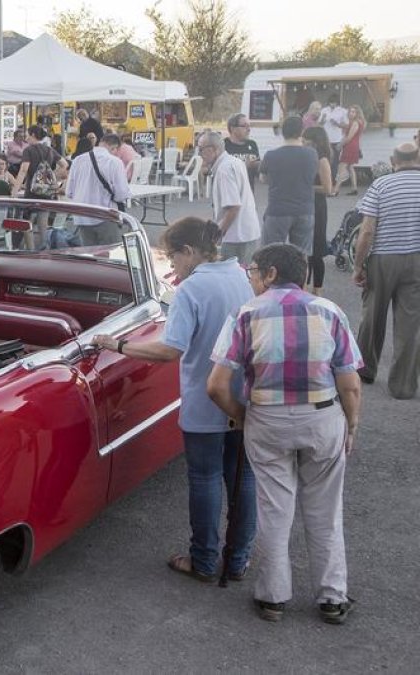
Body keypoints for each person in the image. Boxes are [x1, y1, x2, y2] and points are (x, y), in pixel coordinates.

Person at [94, 217, 256, 583]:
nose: (172, 265)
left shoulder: (191, 290)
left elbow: (170, 349)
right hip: (242, 395)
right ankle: (239, 558)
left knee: (204, 478)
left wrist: (117, 345)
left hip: (204, 397)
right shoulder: (241, 275)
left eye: (173, 256)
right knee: (242, 479)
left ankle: (202, 558)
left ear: (189, 251)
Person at [208, 243, 362, 625]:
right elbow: (350, 383)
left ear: (272, 273)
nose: (252, 278)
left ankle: (273, 597)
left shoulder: (245, 315)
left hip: (267, 418)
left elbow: (216, 386)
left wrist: (241, 416)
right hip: (323, 416)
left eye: (255, 271)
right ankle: (332, 598)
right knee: (326, 512)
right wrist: (352, 422)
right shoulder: (330, 312)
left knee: (275, 510)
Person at [351, 142, 420, 400]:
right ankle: (403, 386)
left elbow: (367, 230)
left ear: (394, 160)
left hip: (383, 258)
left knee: (372, 316)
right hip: (416, 259)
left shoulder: (381, 185)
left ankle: (365, 370)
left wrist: (359, 265)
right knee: (410, 323)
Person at [197, 130, 261, 264]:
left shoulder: (224, 169)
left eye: (201, 149)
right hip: (246, 232)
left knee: (231, 277)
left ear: (213, 149)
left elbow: (233, 207)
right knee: (244, 275)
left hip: (235, 237)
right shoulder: (234, 162)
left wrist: (217, 235)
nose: (199, 154)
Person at [259, 115, 318, 250]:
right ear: (301, 132)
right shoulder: (312, 154)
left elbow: (263, 179)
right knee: (301, 255)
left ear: (282, 132)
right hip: (304, 210)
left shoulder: (271, 155)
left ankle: (273, 271)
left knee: (270, 252)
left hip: (278, 210)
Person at [66, 137, 131, 245]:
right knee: (109, 253)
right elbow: (121, 194)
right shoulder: (114, 162)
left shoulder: (78, 160)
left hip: (81, 215)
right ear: (114, 148)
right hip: (105, 215)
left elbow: (69, 192)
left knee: (89, 256)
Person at [302, 127, 334, 294]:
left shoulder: (322, 160)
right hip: (305, 205)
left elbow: (328, 189)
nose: (302, 142)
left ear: (315, 141)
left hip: (317, 207)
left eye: (305, 140)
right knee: (305, 251)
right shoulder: (308, 157)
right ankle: (304, 288)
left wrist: (307, 187)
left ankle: (317, 290)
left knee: (316, 251)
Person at [332, 105, 365, 196]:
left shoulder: (355, 123)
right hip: (354, 146)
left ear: (357, 113)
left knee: (341, 168)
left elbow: (349, 137)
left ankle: (335, 190)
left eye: (353, 112)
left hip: (350, 146)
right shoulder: (357, 122)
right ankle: (354, 188)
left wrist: (340, 145)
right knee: (350, 167)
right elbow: (345, 127)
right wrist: (338, 124)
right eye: (350, 111)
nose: (351, 113)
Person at [318, 95, 349, 182]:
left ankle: (333, 181)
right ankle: (325, 179)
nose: (333, 104)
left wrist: (337, 124)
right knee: (326, 160)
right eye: (331, 102)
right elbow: (320, 124)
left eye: (334, 103)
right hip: (326, 139)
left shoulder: (342, 111)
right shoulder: (324, 110)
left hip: (337, 139)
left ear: (337, 103)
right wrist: (323, 118)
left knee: (335, 161)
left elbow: (347, 125)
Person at [224, 113, 261, 186]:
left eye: (249, 126)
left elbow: (258, 173)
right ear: (233, 128)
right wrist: (244, 165)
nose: (248, 129)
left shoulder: (252, 144)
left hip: (248, 193)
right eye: (244, 126)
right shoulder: (223, 145)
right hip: (228, 191)